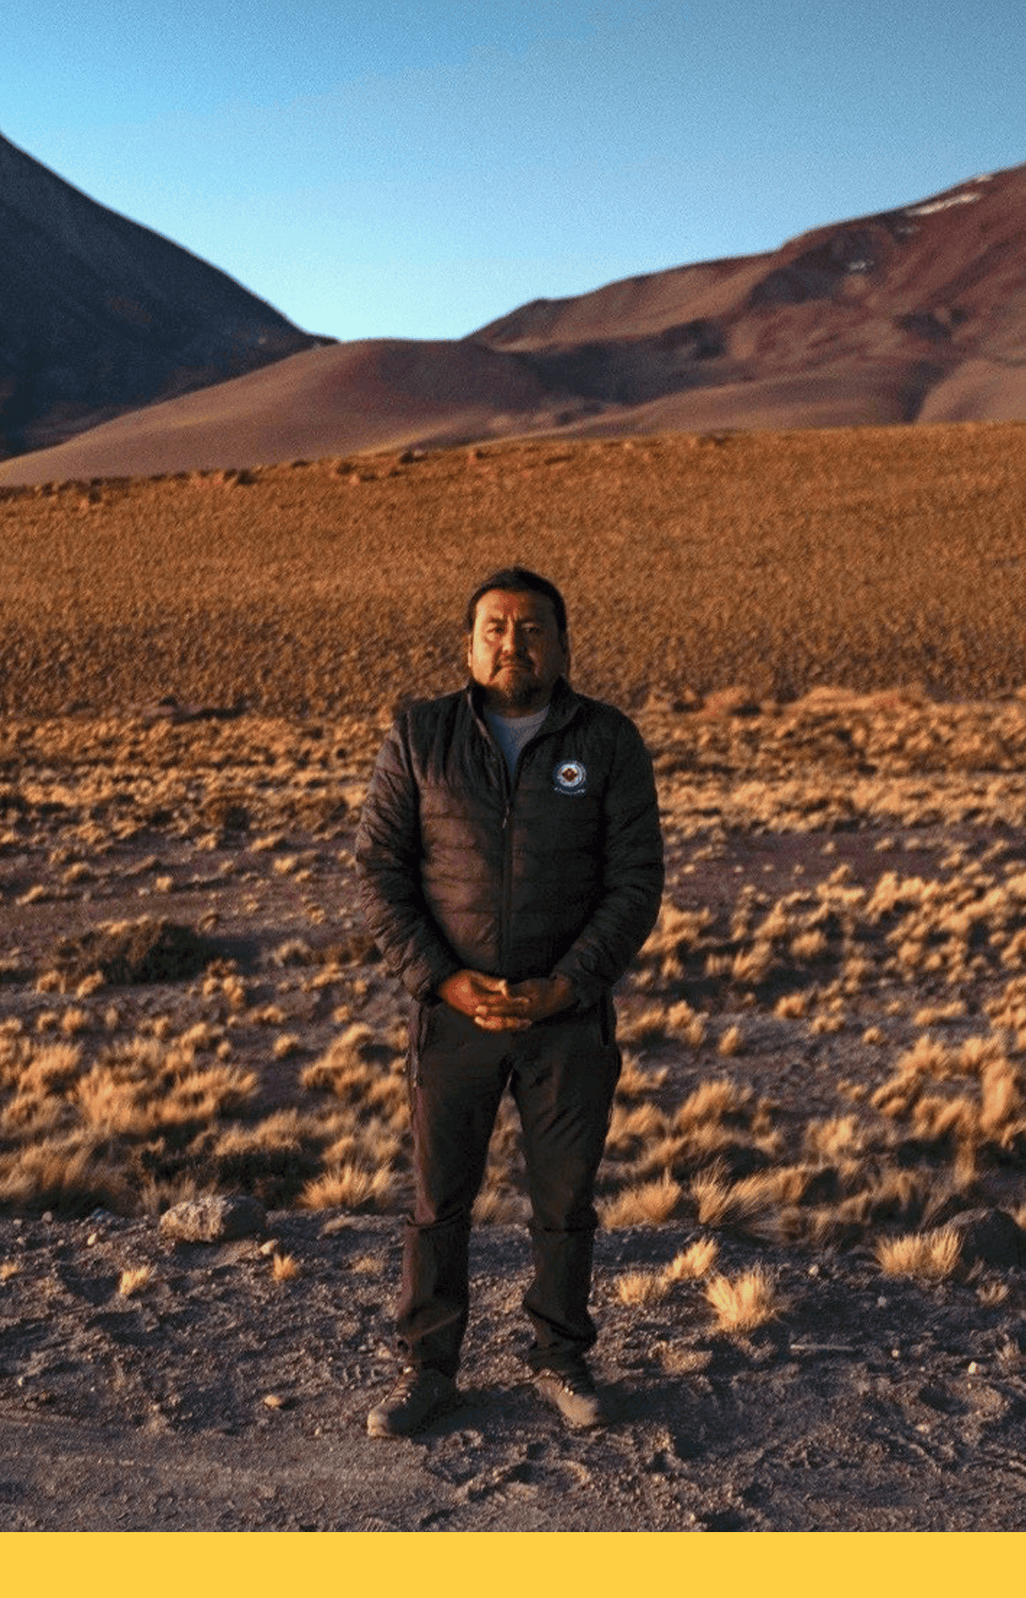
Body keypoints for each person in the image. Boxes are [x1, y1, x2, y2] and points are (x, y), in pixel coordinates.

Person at [355, 566, 664, 1437]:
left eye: (531, 628)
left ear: (563, 643)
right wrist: (443, 978)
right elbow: (380, 871)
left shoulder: (606, 740)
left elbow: (635, 879)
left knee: (564, 1201)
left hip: (567, 1019)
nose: (512, 643)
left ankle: (561, 1360)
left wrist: (569, 981)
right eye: (495, 626)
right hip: (453, 1015)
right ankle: (428, 1368)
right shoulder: (421, 737)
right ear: (468, 642)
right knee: (438, 1197)